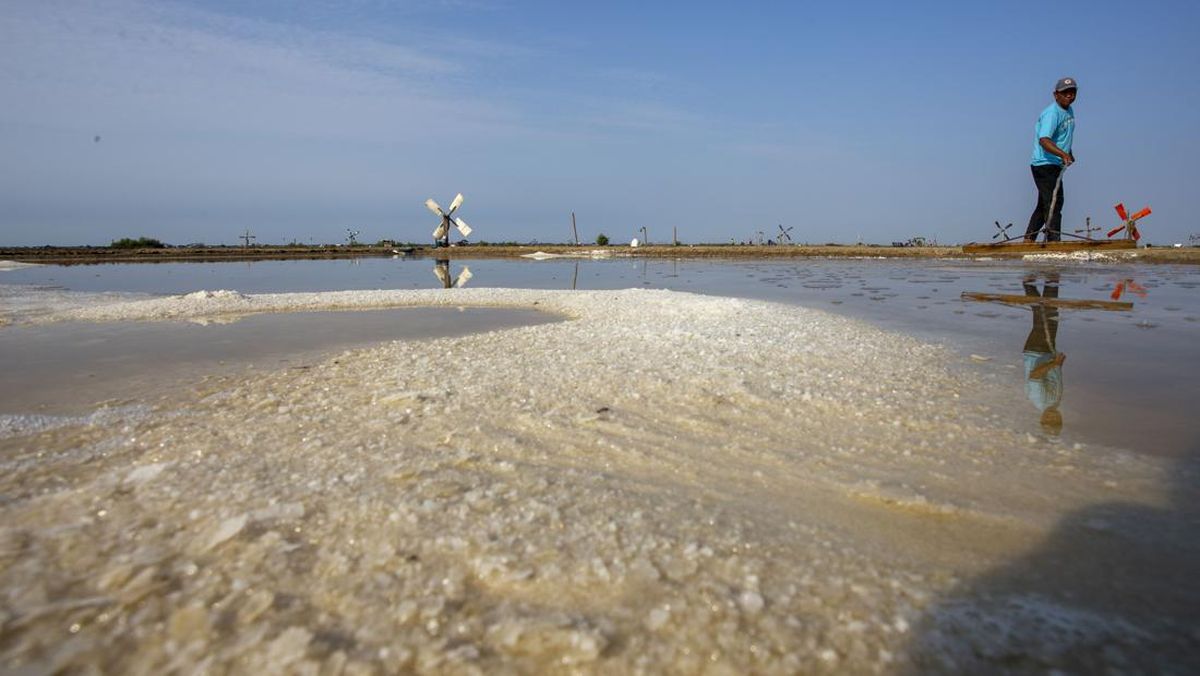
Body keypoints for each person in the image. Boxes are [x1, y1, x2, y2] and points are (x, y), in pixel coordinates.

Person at [1024, 77, 1077, 242]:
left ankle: (1028, 239)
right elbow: (1044, 140)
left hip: (1054, 163)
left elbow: (1061, 137)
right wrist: (1063, 154)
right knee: (1055, 202)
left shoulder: (1069, 111)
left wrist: (1068, 152)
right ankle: (1054, 241)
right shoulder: (1052, 113)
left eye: (1072, 92)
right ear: (1056, 95)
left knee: (1044, 204)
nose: (1069, 95)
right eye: (1065, 93)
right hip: (1044, 164)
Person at [1022, 273, 1065, 434]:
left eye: (1049, 421)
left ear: (1042, 418)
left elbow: (1034, 375)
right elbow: (1052, 378)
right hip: (1046, 351)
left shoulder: (1039, 400)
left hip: (1035, 352)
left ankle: (1042, 281)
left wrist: (1054, 363)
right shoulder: (1054, 403)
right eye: (1056, 421)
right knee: (1048, 314)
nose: (1053, 418)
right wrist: (1058, 364)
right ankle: (1046, 281)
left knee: (1046, 314)